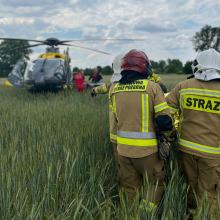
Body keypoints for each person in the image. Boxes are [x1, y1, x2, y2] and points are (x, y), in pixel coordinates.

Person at [109, 49, 173, 206]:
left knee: (130, 188)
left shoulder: (114, 89)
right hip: (147, 152)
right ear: (144, 67)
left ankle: (131, 215)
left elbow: (115, 120)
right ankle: (147, 214)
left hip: (123, 150)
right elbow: (164, 122)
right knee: (155, 183)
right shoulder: (152, 87)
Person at [166, 48, 220, 214]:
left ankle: (191, 214)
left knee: (190, 186)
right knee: (210, 193)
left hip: (186, 149)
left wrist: (173, 130)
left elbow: (165, 109)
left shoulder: (184, 86)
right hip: (213, 154)